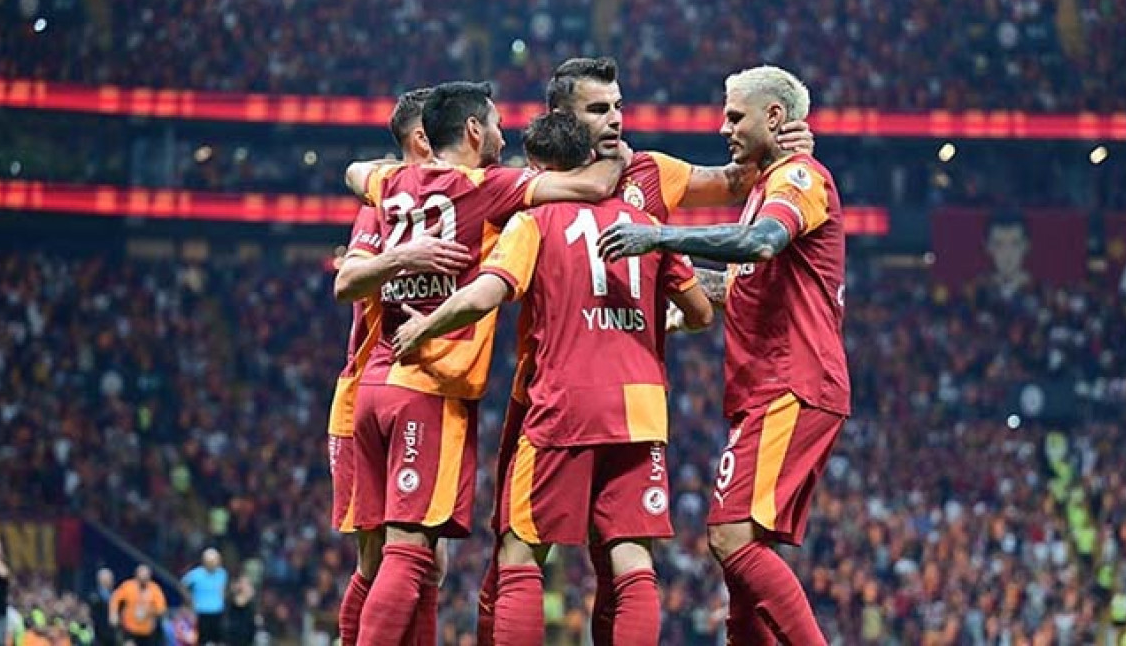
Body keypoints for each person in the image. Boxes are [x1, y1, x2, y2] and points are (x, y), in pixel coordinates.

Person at [476, 55, 817, 646]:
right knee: (620, 555)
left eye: (618, 107)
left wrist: (788, 145)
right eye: (597, 109)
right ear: (562, 118)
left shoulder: (649, 172)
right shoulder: (536, 180)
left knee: (531, 549)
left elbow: (737, 179)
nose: (614, 119)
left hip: (565, 397)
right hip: (602, 394)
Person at [391, 113, 713, 646]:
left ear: (540, 169)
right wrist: (663, 320)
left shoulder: (534, 220)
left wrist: (426, 324)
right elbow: (700, 312)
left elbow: (487, 293)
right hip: (642, 408)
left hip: (565, 402)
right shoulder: (645, 222)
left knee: (521, 552)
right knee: (634, 560)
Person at [343, 80, 629, 645]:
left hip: (373, 384)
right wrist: (619, 153)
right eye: (496, 124)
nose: (504, 136)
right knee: (409, 550)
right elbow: (593, 185)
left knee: (392, 560)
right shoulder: (484, 186)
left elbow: (355, 172)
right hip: (428, 386)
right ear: (474, 130)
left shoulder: (390, 182)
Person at [598, 65, 850, 645]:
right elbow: (740, 280)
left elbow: (759, 244)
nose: (723, 127)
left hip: (793, 382)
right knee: (741, 556)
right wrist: (677, 296)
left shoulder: (800, 178)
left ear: (774, 117)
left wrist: (659, 236)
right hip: (766, 387)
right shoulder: (765, 186)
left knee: (731, 537)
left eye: (735, 116)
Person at [331, 88, 470, 646]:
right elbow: (346, 281)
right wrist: (403, 256)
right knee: (380, 558)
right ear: (422, 140)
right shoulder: (382, 205)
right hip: (372, 385)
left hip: (421, 387)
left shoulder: (450, 198)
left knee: (428, 562)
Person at [110, 565, 168, 646]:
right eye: (142, 575)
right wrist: (113, 613)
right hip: (129, 628)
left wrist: (149, 612)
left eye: (146, 575)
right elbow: (115, 599)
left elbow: (161, 609)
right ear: (136, 575)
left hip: (147, 631)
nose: (144, 578)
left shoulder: (155, 589)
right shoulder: (128, 586)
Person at [181, 549, 227, 646]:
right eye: (210, 561)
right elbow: (182, 586)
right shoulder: (196, 574)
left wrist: (222, 599)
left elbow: (222, 588)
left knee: (218, 640)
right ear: (204, 561)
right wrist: (189, 599)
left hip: (218, 611)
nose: (213, 563)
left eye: (215, 560)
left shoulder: (222, 573)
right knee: (202, 640)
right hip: (201, 611)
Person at [983, 209, 1032, 296]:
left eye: (1015, 244)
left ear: (1026, 246)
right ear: (989, 247)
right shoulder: (978, 289)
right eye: (999, 244)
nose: (1007, 253)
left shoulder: (1038, 290)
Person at [88, 569, 117, 646]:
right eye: (109, 579)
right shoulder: (94, 597)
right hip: (99, 636)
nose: (112, 581)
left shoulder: (116, 595)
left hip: (112, 636)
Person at [223, 578, 256, 646]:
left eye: (246, 584)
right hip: (232, 639)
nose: (242, 586)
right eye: (241, 583)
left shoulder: (252, 607)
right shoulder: (229, 603)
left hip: (246, 639)